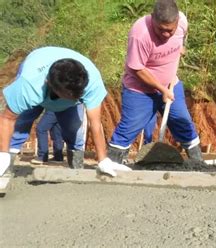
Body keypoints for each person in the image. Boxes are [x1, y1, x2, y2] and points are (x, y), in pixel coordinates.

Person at [0, 46, 131, 177]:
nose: (74, 99)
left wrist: (103, 160)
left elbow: (95, 123)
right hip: (38, 80)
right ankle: (6, 167)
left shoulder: (92, 82)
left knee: (73, 129)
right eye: (69, 97)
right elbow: (7, 119)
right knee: (21, 125)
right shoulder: (29, 84)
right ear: (49, 84)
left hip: (65, 91)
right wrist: (3, 154)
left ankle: (76, 170)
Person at [108, 0, 203, 163]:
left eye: (170, 31)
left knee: (184, 124)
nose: (166, 34)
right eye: (161, 30)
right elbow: (137, 69)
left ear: (177, 22)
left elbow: (182, 35)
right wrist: (162, 89)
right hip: (139, 91)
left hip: (171, 83)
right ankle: (111, 167)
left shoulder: (182, 22)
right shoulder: (140, 34)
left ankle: (199, 164)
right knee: (129, 128)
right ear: (152, 18)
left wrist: (179, 47)